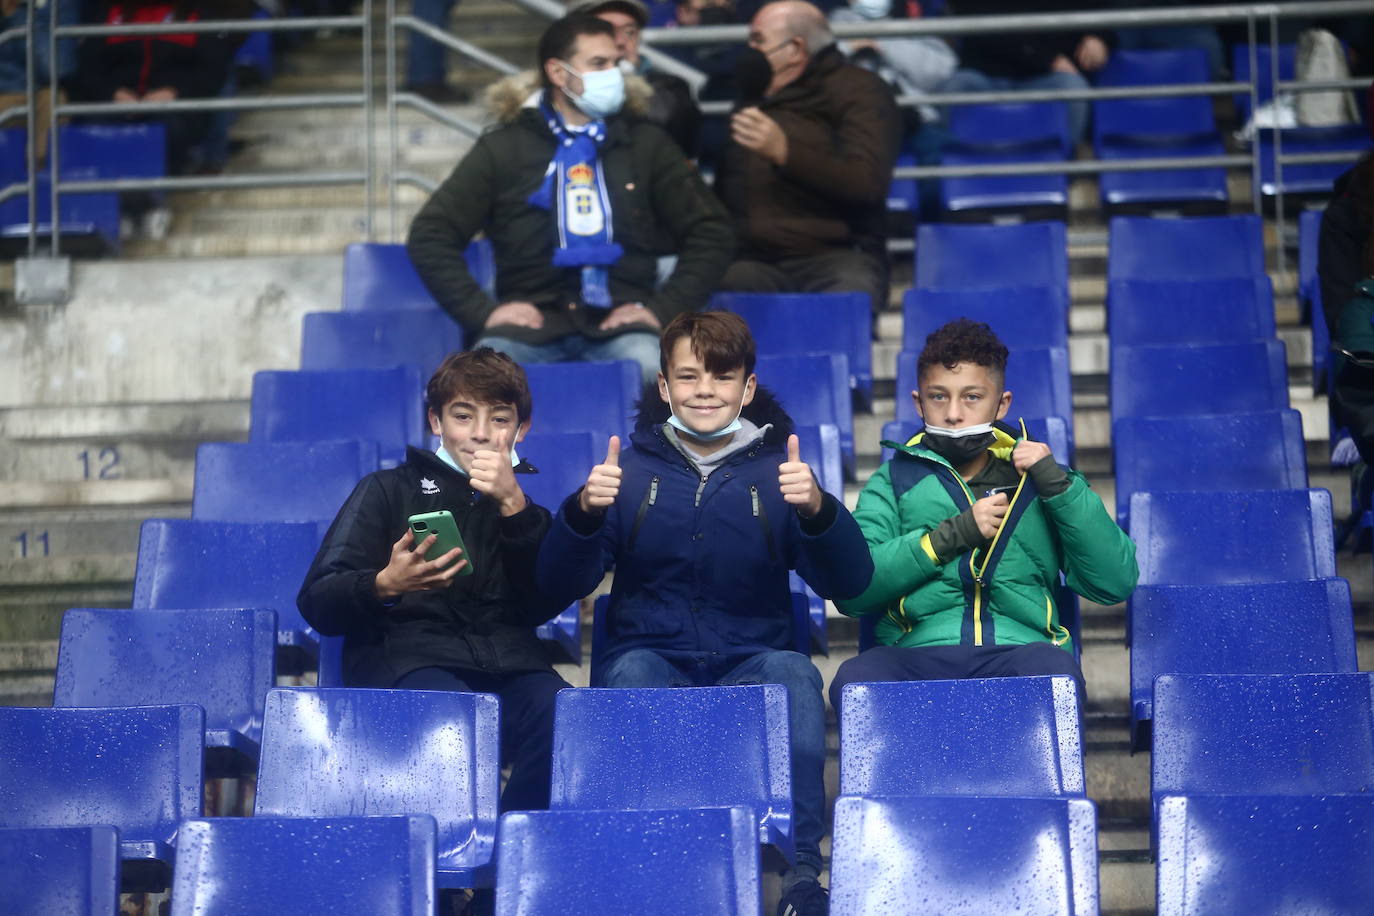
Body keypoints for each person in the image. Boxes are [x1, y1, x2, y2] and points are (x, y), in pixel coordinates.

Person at [536, 310, 874, 916]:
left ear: (747, 388)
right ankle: (635, 865)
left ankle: (800, 876)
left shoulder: (782, 473)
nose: (704, 390)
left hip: (750, 658)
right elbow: (558, 586)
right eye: (688, 376)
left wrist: (820, 511)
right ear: (664, 386)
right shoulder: (629, 471)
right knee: (632, 672)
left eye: (721, 376)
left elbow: (851, 586)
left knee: (795, 674)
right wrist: (583, 513)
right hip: (653, 656)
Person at [298, 348, 571, 823]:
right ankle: (445, 875)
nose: (482, 433)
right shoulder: (385, 489)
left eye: (499, 418)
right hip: (408, 662)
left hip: (509, 665)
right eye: (463, 415)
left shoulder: (527, 512)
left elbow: (540, 603)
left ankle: (509, 859)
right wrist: (383, 584)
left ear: (521, 430)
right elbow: (319, 600)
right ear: (436, 421)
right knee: (450, 712)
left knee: (569, 716)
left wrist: (515, 509)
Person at [407, 14, 734, 385]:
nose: (615, 73)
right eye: (599, 64)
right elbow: (431, 233)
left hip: (624, 327)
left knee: (655, 374)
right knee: (484, 385)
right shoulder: (504, 148)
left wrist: (663, 310)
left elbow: (713, 231)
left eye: (615, 63)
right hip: (528, 329)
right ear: (558, 74)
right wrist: (482, 312)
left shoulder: (646, 143)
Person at [828, 319, 1137, 710]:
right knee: (855, 681)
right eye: (938, 397)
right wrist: (951, 536)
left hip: (1019, 648)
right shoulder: (893, 479)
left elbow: (1114, 582)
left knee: (1055, 675)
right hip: (916, 651)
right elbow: (854, 592)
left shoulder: (1046, 482)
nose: (954, 413)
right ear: (917, 402)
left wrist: (1059, 487)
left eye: (972, 397)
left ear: (1001, 403)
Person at [713, 0, 902, 320]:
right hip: (755, 262)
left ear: (796, 49)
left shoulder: (861, 91)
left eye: (758, 40)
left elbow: (866, 182)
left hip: (838, 257)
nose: (749, 50)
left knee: (847, 303)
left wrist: (785, 152)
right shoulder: (751, 96)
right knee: (720, 309)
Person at [933, 0, 1112, 145]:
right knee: (954, 88)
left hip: (1046, 79)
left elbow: (1100, 11)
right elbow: (979, 17)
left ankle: (1064, 172)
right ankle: (947, 173)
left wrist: (1098, 36)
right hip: (985, 74)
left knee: (1073, 89)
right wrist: (1047, 59)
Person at [574, 0, 702, 156]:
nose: (621, 41)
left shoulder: (670, 89)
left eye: (629, 32)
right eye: (606, 30)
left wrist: (629, 83)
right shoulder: (557, 91)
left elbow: (671, 135)